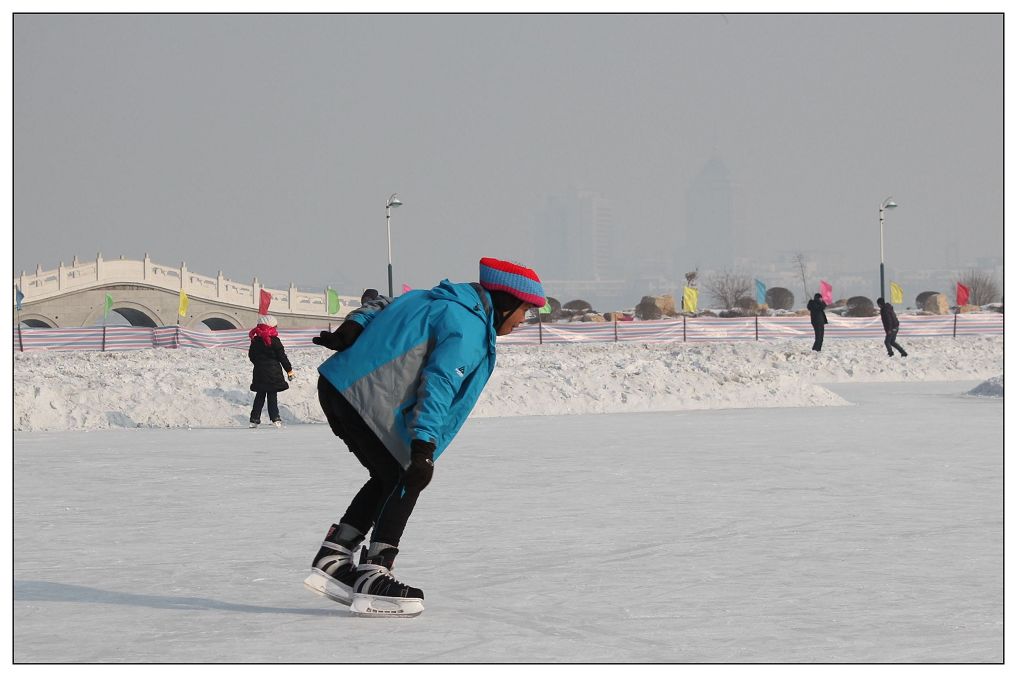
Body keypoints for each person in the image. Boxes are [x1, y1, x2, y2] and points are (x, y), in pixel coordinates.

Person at [304, 257, 544, 616]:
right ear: (507, 302)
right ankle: (375, 572)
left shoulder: (433, 297)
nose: (524, 320)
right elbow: (441, 382)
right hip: (365, 396)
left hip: (339, 387)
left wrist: (353, 325)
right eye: (526, 310)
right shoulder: (469, 325)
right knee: (407, 474)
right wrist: (424, 445)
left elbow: (380, 304)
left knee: (388, 475)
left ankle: (335, 558)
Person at [247, 314, 294, 428]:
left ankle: (254, 419)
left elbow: (251, 356)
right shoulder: (275, 340)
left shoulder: (255, 340)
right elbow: (282, 357)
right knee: (272, 395)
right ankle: (275, 418)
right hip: (273, 373)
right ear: (271, 327)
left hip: (259, 372)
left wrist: (259, 364)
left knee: (260, 395)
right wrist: (289, 370)